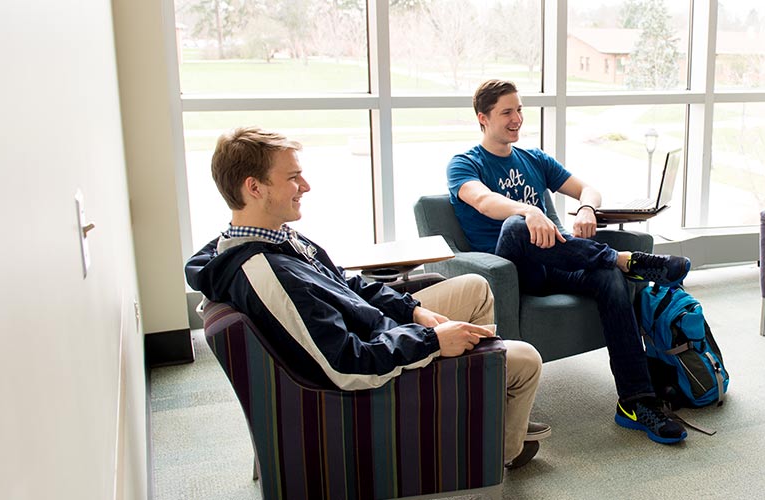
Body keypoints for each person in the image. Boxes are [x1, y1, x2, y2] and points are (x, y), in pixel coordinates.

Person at [185, 127, 549, 469]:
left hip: (380, 331)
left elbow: (349, 284)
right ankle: (499, 450)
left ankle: (481, 412)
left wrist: (413, 311)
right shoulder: (268, 273)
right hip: (377, 359)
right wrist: (432, 341)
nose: (305, 186)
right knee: (525, 359)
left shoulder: (276, 238)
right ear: (254, 187)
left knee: (474, 287)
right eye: (293, 177)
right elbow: (344, 364)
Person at [446, 79, 692, 444]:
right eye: (507, 112)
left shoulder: (534, 158)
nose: (517, 119)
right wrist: (529, 210)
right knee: (516, 226)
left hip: (558, 262)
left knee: (609, 278)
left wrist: (587, 207)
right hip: (515, 271)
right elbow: (483, 201)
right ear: (483, 118)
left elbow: (587, 188)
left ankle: (636, 402)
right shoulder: (464, 164)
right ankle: (623, 259)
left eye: (519, 110)